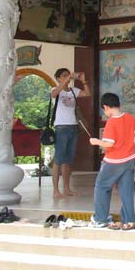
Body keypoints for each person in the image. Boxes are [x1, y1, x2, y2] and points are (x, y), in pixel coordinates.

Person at [89, 92, 135, 230]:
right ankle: (129, 220)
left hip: (113, 161)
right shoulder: (130, 117)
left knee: (102, 187)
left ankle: (100, 219)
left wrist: (96, 141)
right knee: (126, 190)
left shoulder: (111, 122)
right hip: (130, 159)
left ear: (106, 107)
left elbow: (109, 144)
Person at [50, 67, 89, 199]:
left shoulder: (73, 91)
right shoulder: (55, 90)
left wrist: (83, 81)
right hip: (61, 127)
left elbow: (87, 93)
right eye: (64, 75)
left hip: (73, 127)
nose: (67, 77)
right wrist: (66, 81)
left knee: (68, 160)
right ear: (58, 78)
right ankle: (56, 190)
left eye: (68, 75)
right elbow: (54, 94)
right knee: (58, 159)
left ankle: (67, 188)